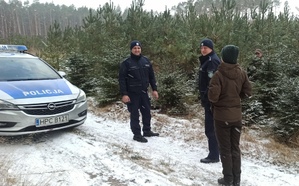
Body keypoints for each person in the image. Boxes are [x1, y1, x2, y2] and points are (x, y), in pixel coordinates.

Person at [208, 45, 252, 186]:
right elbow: (247, 92)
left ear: (223, 57)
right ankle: (237, 180)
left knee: (225, 149)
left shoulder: (218, 75)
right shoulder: (242, 73)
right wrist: (235, 99)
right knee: (235, 148)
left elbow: (213, 97)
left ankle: (228, 179)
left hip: (221, 118)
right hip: (237, 117)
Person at [118, 40, 159, 143]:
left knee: (146, 112)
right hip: (132, 94)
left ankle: (147, 130)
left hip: (144, 92)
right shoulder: (126, 63)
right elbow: (122, 79)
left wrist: (154, 89)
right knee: (135, 114)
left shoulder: (145, 61)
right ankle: (137, 134)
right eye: (135, 48)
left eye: (138, 48)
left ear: (141, 49)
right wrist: (124, 94)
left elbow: (151, 76)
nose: (137, 50)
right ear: (131, 50)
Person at [198, 38, 220, 163]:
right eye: (201, 48)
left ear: (211, 48)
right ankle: (216, 152)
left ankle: (214, 155)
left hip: (211, 102)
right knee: (212, 128)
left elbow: (212, 84)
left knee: (211, 128)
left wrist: (208, 98)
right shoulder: (207, 60)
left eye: (205, 48)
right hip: (208, 100)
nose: (203, 50)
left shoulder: (212, 62)